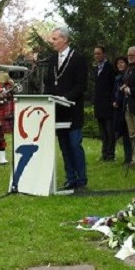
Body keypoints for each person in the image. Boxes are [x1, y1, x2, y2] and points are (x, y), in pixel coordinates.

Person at [44, 27, 88, 191]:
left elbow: (81, 85)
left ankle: (81, 179)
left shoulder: (78, 58)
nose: (52, 42)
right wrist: (48, 98)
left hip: (72, 110)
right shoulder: (52, 59)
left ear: (64, 40)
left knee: (75, 144)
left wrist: (66, 98)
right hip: (57, 110)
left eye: (55, 39)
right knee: (63, 145)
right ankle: (70, 178)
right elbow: (48, 81)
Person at [91, 45, 117, 161]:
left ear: (104, 54)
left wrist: (113, 100)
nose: (96, 56)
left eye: (98, 53)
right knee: (103, 132)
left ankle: (110, 154)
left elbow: (113, 86)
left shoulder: (110, 67)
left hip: (108, 104)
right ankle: (104, 153)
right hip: (99, 104)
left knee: (109, 131)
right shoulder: (96, 69)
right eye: (95, 54)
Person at [112, 56, 132, 164]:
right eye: (118, 63)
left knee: (129, 134)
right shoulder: (117, 78)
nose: (120, 65)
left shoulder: (127, 76)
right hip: (118, 109)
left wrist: (118, 100)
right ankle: (127, 157)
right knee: (124, 134)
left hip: (126, 107)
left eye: (122, 62)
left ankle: (131, 157)